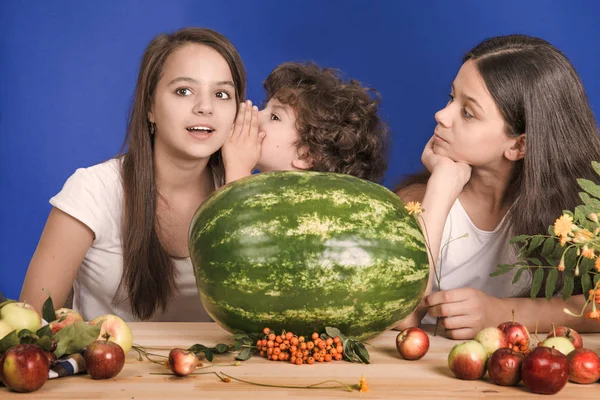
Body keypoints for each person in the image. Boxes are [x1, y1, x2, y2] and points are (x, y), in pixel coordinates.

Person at [20, 27, 247, 322]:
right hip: (108, 367)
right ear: (150, 107)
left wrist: (240, 179)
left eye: (221, 94)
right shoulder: (92, 191)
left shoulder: (242, 189)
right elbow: (28, 328)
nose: (205, 107)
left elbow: (260, 321)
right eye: (183, 91)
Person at [395, 34, 600, 339]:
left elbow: (594, 307)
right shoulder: (417, 202)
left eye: (468, 112)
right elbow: (400, 317)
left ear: (520, 145)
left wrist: (500, 313)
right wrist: (439, 189)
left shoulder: (580, 217)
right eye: (452, 98)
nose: (441, 115)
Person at [222, 62, 389, 184]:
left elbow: (241, 228)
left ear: (305, 155)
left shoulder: (298, 210)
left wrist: (238, 168)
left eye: (275, 117)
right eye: (265, 107)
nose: (256, 116)